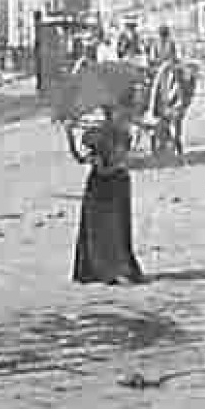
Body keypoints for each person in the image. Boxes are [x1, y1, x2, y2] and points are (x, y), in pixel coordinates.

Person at [70, 107, 144, 286]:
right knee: (102, 228)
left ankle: (112, 269)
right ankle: (103, 270)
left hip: (111, 182)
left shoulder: (120, 133)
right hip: (104, 182)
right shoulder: (100, 132)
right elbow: (83, 157)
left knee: (114, 228)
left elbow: (122, 155)